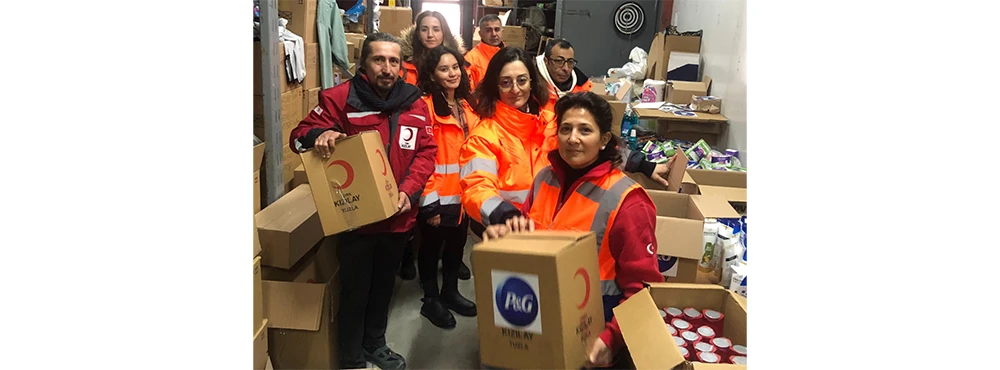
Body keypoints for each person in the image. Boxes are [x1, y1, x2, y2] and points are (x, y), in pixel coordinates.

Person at [481, 92, 664, 369]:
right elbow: (530, 238)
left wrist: (612, 338)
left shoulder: (627, 200)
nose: (572, 138)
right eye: (565, 129)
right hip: (537, 318)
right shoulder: (545, 178)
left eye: (585, 130)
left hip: (591, 333)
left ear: (604, 140)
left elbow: (643, 288)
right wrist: (506, 238)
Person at [289, 32, 437, 370]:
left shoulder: (415, 103)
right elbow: (298, 136)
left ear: (402, 66)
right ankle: (352, 357)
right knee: (355, 292)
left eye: (394, 61)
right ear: (364, 64)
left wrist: (408, 191)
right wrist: (319, 135)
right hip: (357, 220)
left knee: (384, 287)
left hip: (399, 215)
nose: (387, 68)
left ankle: (375, 344)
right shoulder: (340, 98)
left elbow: (427, 152)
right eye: (379, 60)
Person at [460, 47, 675, 237]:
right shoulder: (484, 136)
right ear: (495, 86)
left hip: (557, 228)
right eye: (506, 82)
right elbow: (476, 187)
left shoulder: (550, 119)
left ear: (532, 82)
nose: (515, 89)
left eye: (522, 80)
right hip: (508, 232)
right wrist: (504, 214)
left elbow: (591, 147)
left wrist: (643, 165)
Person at [414, 45, 480, 329]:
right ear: (432, 74)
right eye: (444, 68)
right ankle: (431, 299)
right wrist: (429, 202)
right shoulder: (425, 107)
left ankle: (450, 291)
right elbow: (422, 158)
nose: (452, 73)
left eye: (455, 67)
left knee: (456, 248)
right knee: (430, 249)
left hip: (464, 196)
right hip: (438, 197)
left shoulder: (468, 105)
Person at [398, 11, 469, 88]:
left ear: (443, 33)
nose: (430, 35)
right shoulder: (404, 65)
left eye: (436, 30)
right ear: (418, 34)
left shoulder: (459, 63)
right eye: (424, 30)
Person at [464, 14, 505, 87]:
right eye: (488, 30)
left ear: (502, 31)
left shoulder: (511, 55)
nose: (494, 34)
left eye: (497, 29)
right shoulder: (470, 59)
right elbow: (468, 94)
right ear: (480, 34)